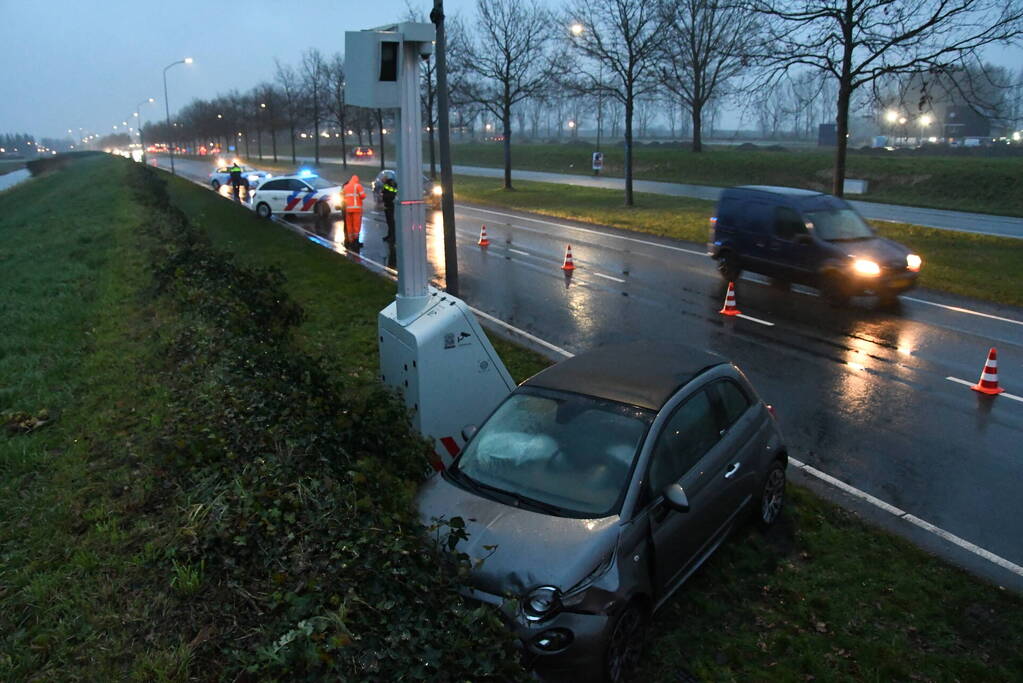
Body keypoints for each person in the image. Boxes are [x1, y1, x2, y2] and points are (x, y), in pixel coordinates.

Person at [342, 174, 366, 247]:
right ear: (357, 180)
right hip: (356, 209)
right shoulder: (358, 186)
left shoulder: (345, 187)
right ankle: (356, 242)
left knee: (349, 225)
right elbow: (363, 196)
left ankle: (350, 241)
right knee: (356, 225)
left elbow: (342, 195)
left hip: (348, 209)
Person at [381, 174, 397, 242]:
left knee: (391, 222)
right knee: (389, 221)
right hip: (387, 204)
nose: (382, 180)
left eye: (383, 179)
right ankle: (389, 235)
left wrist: (384, 194)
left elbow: (392, 192)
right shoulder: (387, 184)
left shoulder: (389, 184)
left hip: (390, 204)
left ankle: (392, 237)